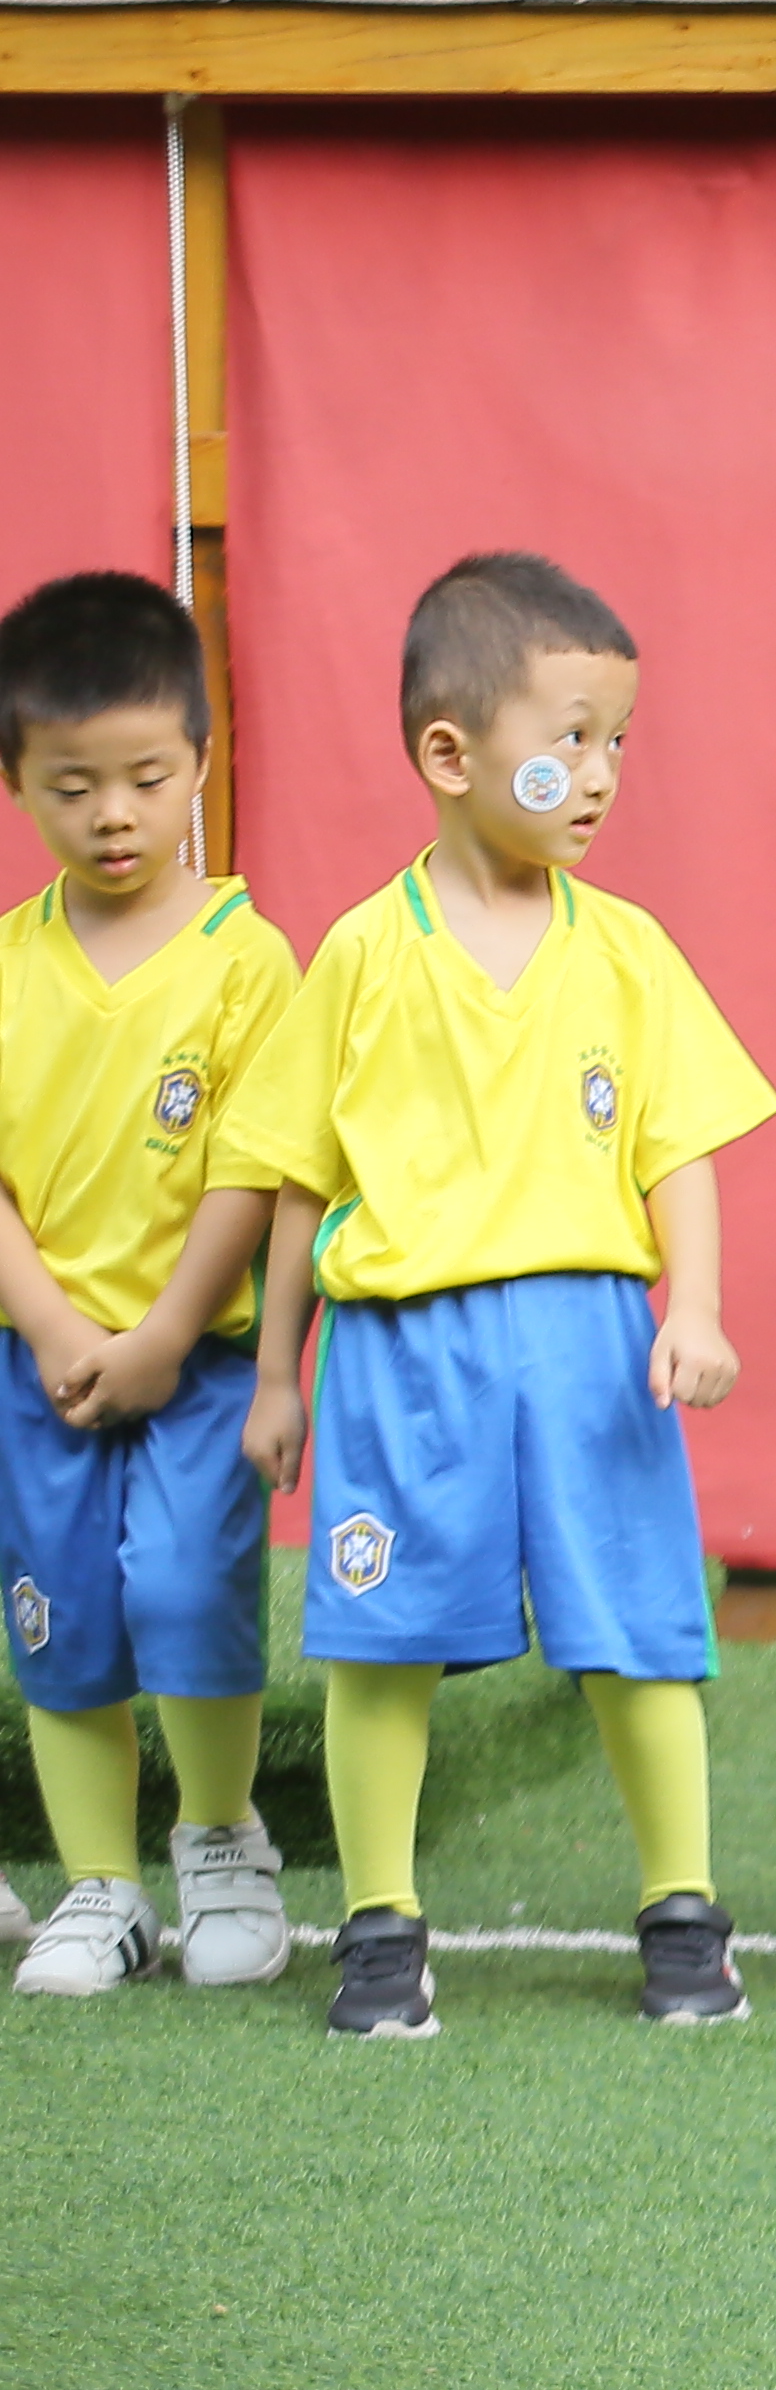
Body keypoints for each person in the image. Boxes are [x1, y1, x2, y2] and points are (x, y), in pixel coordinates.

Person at [223, 551, 776, 2039]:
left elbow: (680, 1151)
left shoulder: (631, 953)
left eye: (619, 742)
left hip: (596, 1346)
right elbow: (293, 1178)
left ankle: (682, 1915)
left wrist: (696, 1308)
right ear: (450, 754)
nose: (602, 775)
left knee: (639, 1626)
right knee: (378, 1635)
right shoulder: (356, 954)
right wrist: (279, 1374)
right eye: (571, 741)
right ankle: (382, 1927)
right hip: (404, 1353)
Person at [0, 570, 300, 1997]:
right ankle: (98, 1888)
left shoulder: (249, 965)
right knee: (58, 1623)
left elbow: (258, 1168)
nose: (114, 814)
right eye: (72, 786)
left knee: (188, 1591)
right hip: (42, 1369)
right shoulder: (6, 966)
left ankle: (220, 1837)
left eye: (144, 777)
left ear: (200, 761)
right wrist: (57, 1324)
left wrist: (172, 1329)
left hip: (200, 1365)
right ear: (17, 785)